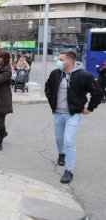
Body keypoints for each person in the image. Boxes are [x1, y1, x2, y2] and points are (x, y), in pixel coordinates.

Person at [45, 50, 102, 183]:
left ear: (70, 61)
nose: (58, 62)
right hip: (58, 113)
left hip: (73, 114)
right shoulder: (55, 73)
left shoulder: (84, 75)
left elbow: (98, 92)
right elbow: (48, 87)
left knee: (69, 141)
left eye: (61, 59)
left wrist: (90, 108)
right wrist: (51, 100)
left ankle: (69, 171)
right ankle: (61, 154)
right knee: (59, 139)